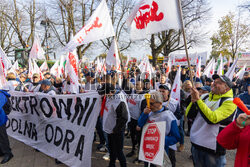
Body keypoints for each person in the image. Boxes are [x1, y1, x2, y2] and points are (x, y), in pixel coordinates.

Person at [186, 74, 237, 167]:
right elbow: (189, 115)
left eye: (219, 83)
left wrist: (198, 100)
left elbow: (212, 119)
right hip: (196, 145)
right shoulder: (205, 97)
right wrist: (193, 101)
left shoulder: (230, 102)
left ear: (227, 88)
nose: (214, 84)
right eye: (214, 82)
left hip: (213, 151)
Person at [138, 91, 180, 167]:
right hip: (148, 150)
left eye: (151, 103)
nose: (148, 106)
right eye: (147, 103)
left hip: (162, 152)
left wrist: (160, 140)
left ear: (160, 103)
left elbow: (176, 137)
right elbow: (140, 124)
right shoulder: (149, 112)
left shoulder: (169, 116)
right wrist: (144, 114)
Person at [99, 83, 128, 167]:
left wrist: (115, 130)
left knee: (119, 152)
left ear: (111, 92)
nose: (105, 95)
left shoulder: (119, 100)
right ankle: (112, 165)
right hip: (110, 129)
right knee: (112, 150)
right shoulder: (110, 96)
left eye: (106, 93)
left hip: (116, 131)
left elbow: (124, 118)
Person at [0, 90, 13, 164]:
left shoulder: (1, 95)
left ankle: (8, 153)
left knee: (2, 136)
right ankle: (2, 151)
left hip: (0, 119)